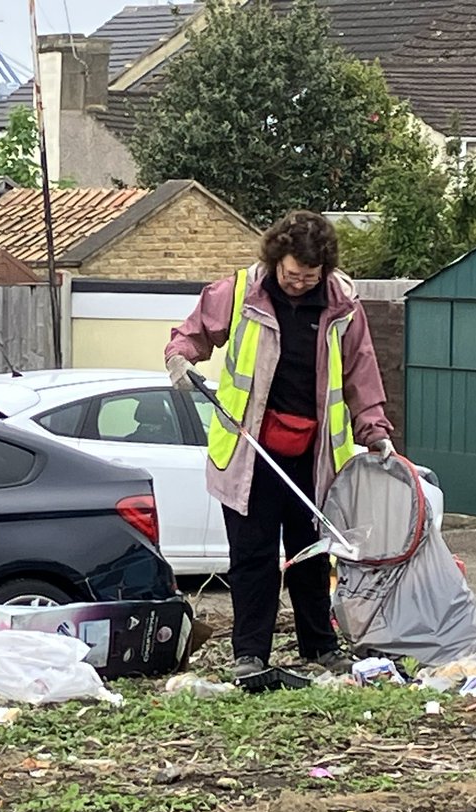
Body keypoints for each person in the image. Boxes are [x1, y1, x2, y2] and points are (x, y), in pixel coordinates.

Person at [165, 211, 393, 679]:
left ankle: (320, 647)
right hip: (248, 454)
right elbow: (191, 334)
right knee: (254, 558)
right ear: (276, 260)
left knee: (312, 555)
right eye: (291, 274)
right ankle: (250, 654)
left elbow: (360, 372)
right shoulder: (239, 291)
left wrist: (374, 430)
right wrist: (180, 360)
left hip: (314, 457)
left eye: (309, 277)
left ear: (324, 271)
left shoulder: (343, 305)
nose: (299, 284)